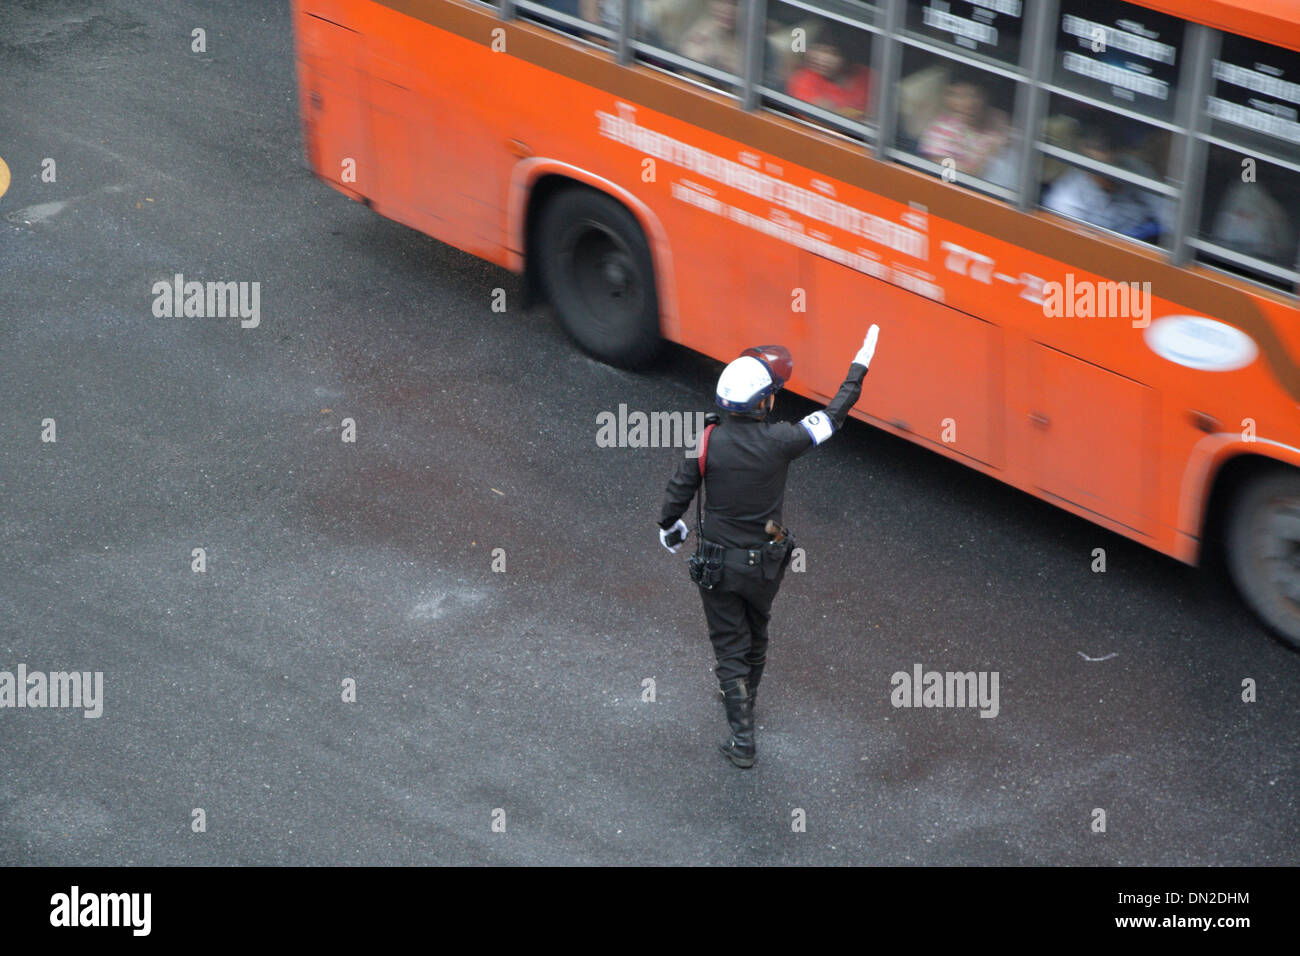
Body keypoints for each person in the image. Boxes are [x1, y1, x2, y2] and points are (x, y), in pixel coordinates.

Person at [657, 326, 882, 768]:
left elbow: (678, 492)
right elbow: (833, 417)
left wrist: (670, 527)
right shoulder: (781, 441)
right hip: (766, 564)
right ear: (763, 402)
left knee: (729, 645)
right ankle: (747, 697)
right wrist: (860, 366)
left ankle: (742, 739)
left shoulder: (708, 440)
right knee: (757, 630)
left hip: (717, 569)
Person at [1043, 127, 1167, 242]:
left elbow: (1166, 211)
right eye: (1099, 149)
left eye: (1111, 148)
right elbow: (1082, 248)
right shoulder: (1067, 200)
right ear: (1083, 150)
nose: (1108, 156)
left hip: (1149, 242)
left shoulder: (1132, 166)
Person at [919, 68, 1011, 182]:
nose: (968, 104)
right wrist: (990, 153)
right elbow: (954, 175)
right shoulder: (939, 132)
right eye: (959, 96)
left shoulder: (997, 117)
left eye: (974, 96)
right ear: (947, 98)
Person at [786, 36, 873, 121]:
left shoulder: (867, 75)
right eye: (817, 49)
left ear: (847, 58)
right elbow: (824, 116)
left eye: (834, 53)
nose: (822, 58)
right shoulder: (803, 79)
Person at [679, 0, 741, 75]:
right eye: (720, 1)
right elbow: (690, 78)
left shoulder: (753, 36)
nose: (727, 9)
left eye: (736, 4)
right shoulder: (699, 43)